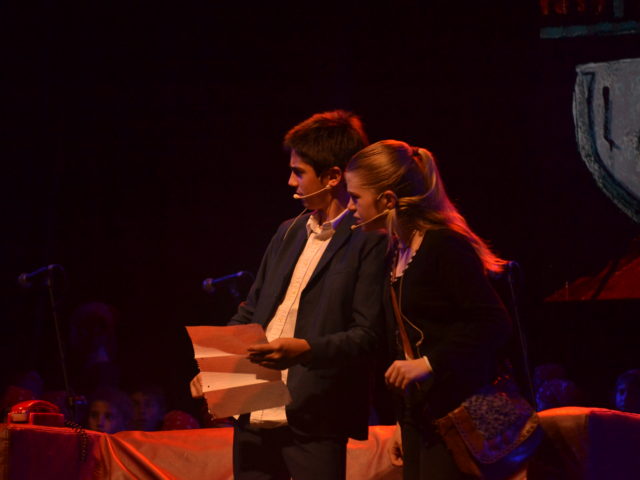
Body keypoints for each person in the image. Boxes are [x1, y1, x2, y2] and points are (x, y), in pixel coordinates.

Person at [211, 110, 387, 480]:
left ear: (333, 176)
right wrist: (218, 371)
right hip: (253, 409)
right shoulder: (287, 232)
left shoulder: (368, 239)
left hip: (315, 416)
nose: (291, 181)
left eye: (299, 172)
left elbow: (368, 334)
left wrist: (305, 349)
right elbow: (252, 311)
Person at [345, 139, 511, 480]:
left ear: (387, 200)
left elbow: (492, 322)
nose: (350, 206)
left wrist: (430, 363)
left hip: (459, 414)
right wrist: (402, 422)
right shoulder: (396, 252)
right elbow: (403, 345)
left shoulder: (443, 245)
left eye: (356, 197)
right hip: (421, 418)